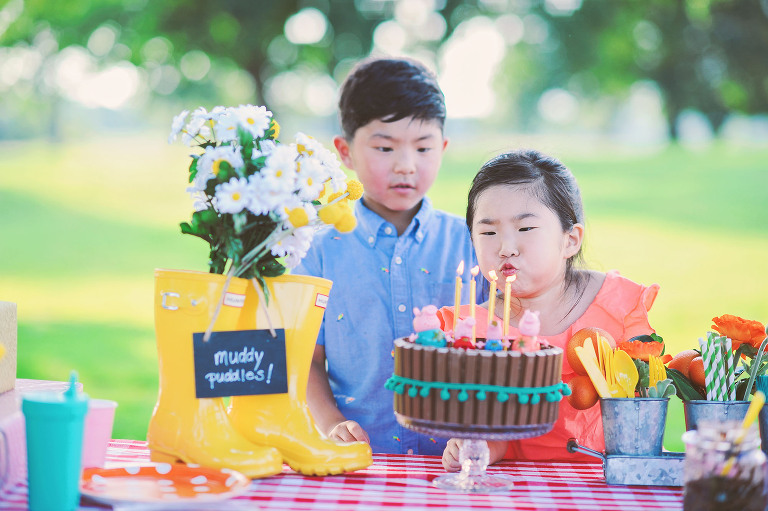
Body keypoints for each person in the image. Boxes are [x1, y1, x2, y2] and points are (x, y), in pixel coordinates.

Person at [292, 57, 479, 455]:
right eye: (384, 147)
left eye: (423, 147)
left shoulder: (472, 242)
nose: (406, 165)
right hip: (357, 462)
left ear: (442, 147)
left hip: (454, 466)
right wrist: (330, 424)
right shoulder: (318, 251)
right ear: (345, 151)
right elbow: (305, 360)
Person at [439, 149, 659, 469]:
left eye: (525, 229)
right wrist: (481, 447)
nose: (506, 248)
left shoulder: (616, 307)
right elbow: (483, 425)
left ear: (570, 239)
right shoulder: (467, 331)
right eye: (488, 232)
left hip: (611, 487)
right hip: (516, 492)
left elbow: (646, 409)